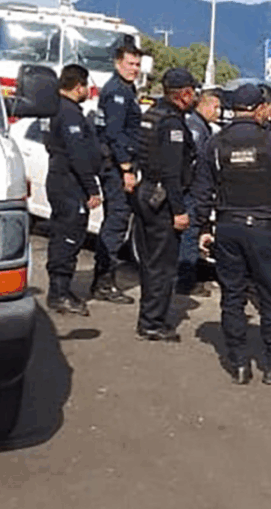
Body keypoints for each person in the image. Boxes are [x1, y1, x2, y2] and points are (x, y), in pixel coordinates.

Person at [193, 84, 271, 385]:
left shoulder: (215, 143)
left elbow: (202, 190)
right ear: (259, 109)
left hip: (228, 227)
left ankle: (239, 362)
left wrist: (203, 227)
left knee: (233, 296)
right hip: (264, 229)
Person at [132, 68, 199, 342]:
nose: (195, 97)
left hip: (146, 191)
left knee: (150, 261)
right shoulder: (172, 124)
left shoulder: (152, 113)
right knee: (162, 265)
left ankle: (149, 317)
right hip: (161, 199)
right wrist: (179, 210)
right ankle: (152, 322)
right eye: (193, 92)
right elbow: (171, 172)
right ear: (184, 94)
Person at [44, 64, 102, 315]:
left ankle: (60, 290)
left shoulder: (56, 108)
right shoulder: (68, 113)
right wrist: (92, 188)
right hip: (69, 183)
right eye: (86, 86)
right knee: (68, 237)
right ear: (78, 86)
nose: (88, 91)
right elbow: (77, 154)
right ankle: (59, 293)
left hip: (62, 179)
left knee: (62, 235)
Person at [90, 41, 144, 305]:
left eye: (137, 64)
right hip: (115, 167)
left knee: (117, 221)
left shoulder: (126, 89)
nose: (134, 69)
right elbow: (114, 134)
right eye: (130, 64)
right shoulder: (117, 92)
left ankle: (104, 278)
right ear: (117, 63)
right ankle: (103, 282)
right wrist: (126, 168)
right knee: (116, 222)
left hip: (118, 164)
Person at [177, 88, 221, 297]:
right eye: (215, 107)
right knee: (189, 236)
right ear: (203, 105)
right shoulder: (195, 128)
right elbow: (192, 163)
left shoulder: (203, 127)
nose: (218, 112)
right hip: (192, 190)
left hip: (195, 190)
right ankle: (185, 282)